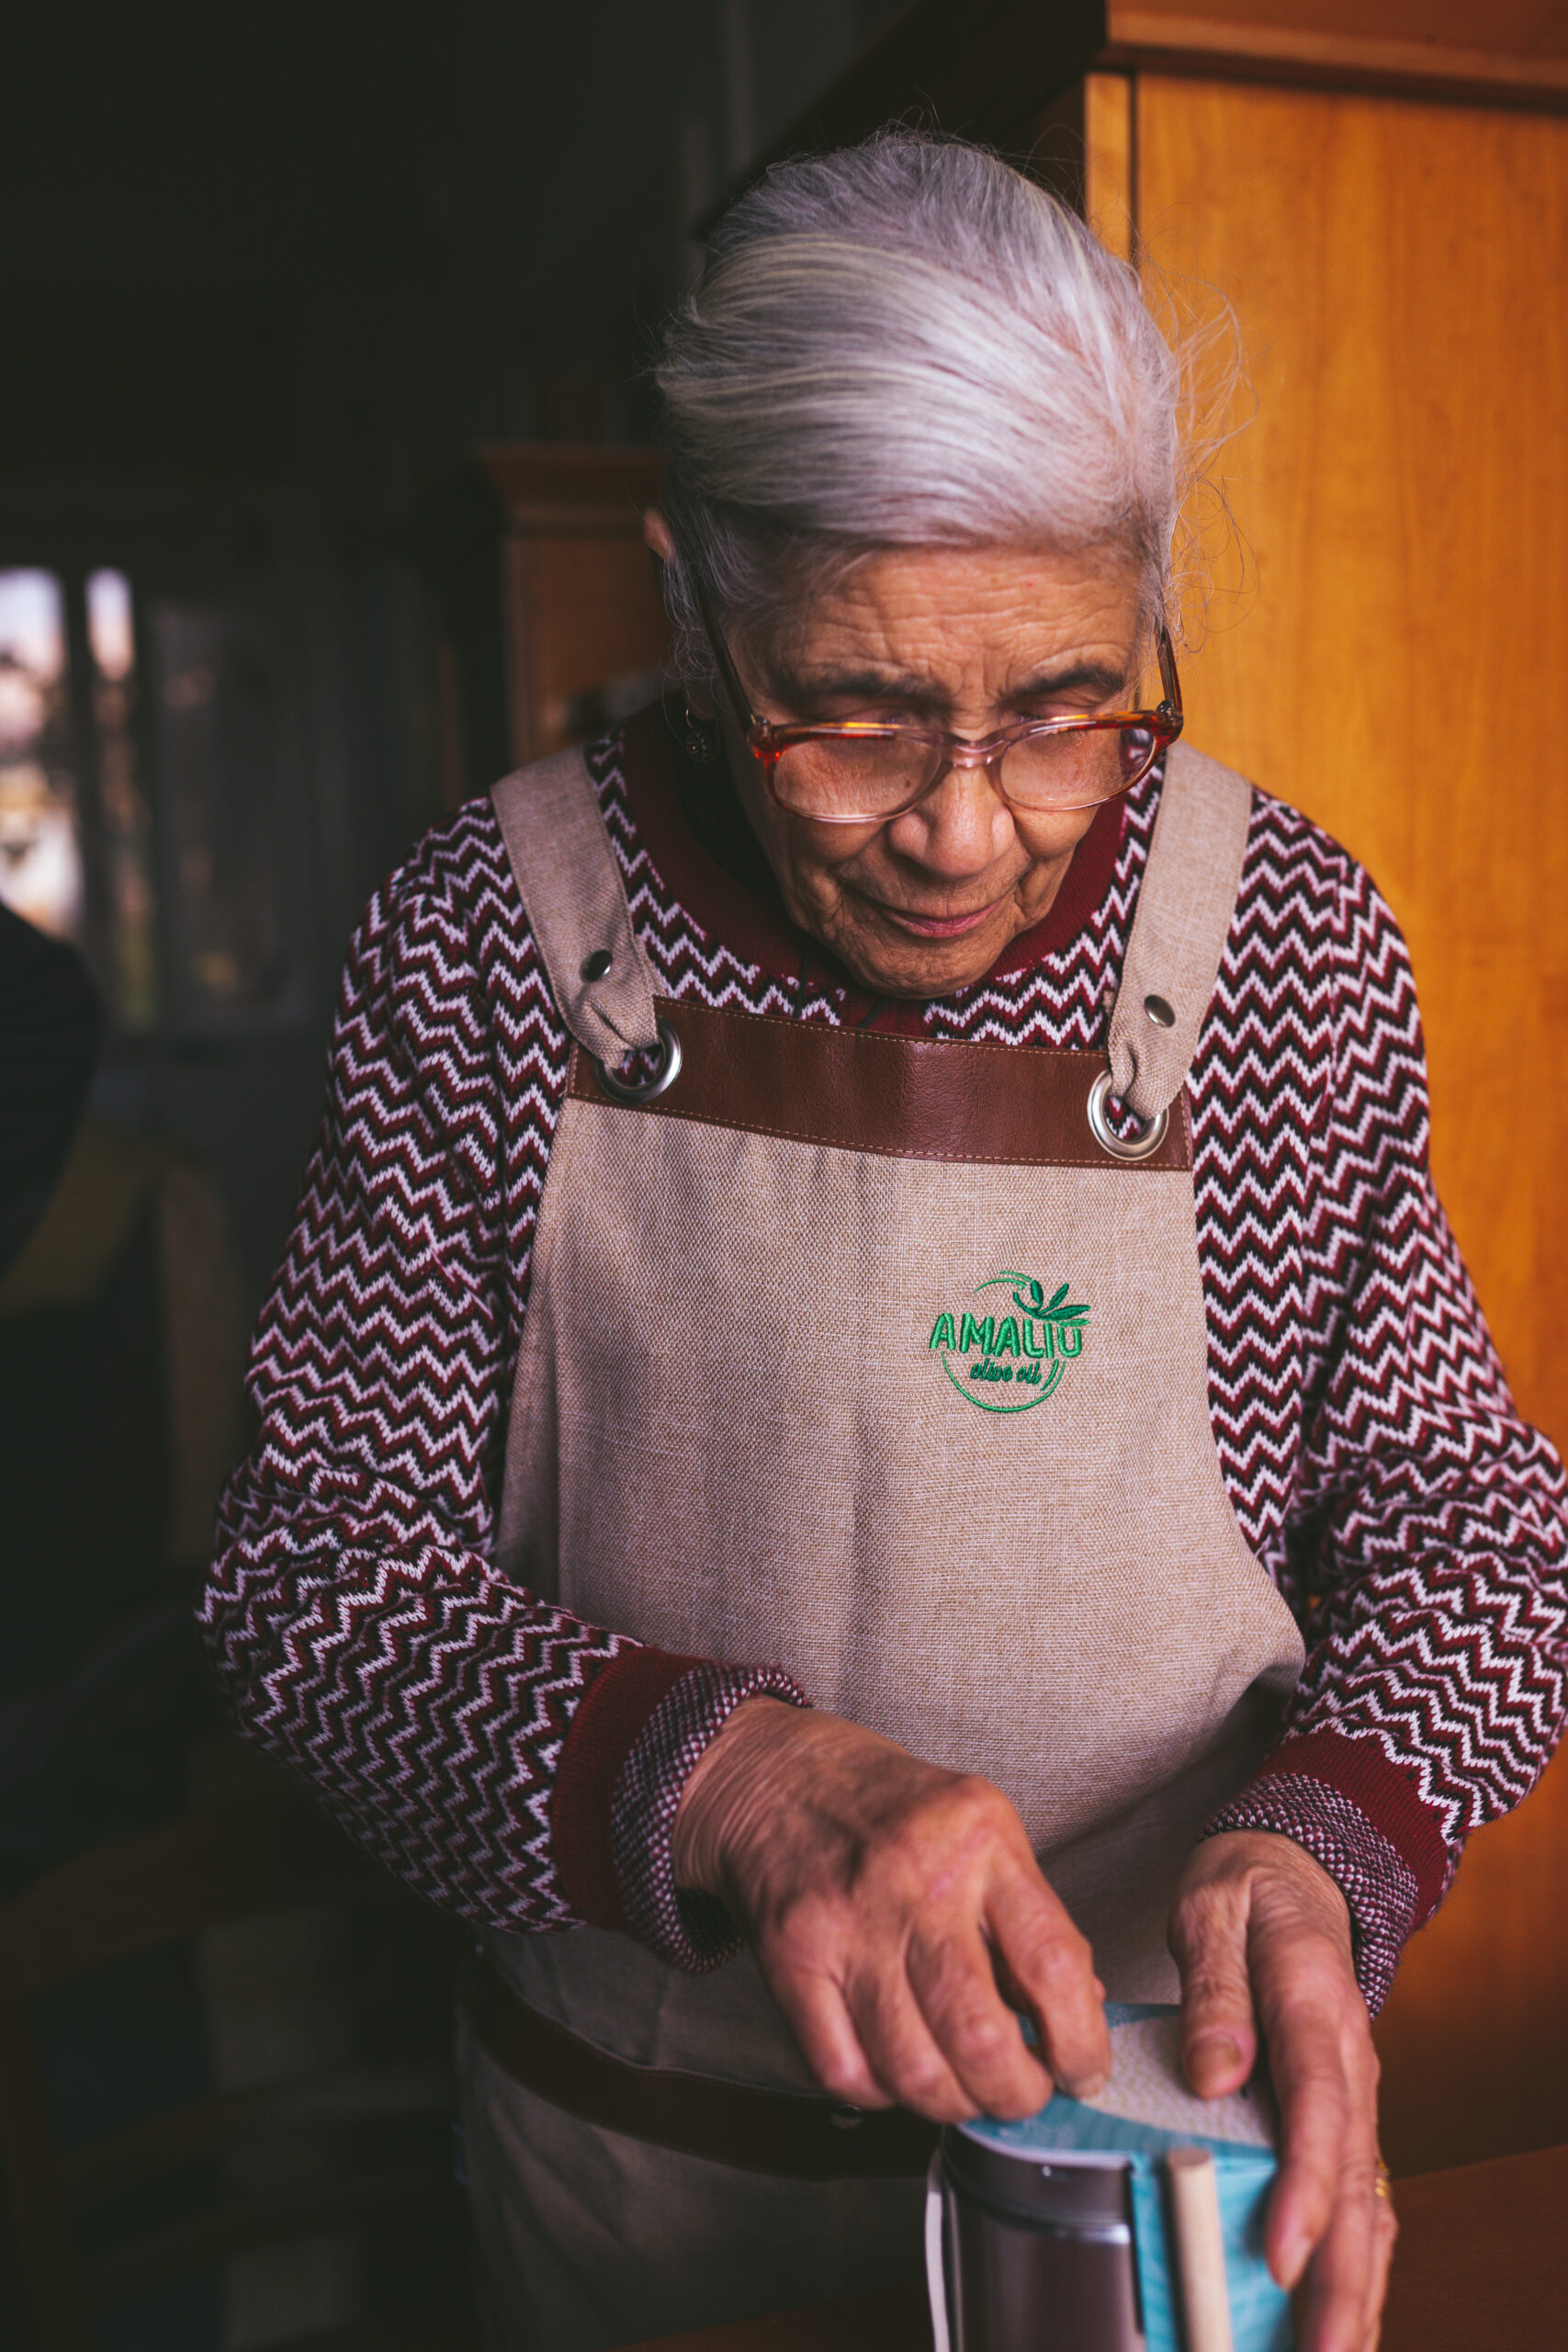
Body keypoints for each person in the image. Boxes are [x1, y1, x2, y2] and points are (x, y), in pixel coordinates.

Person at [202, 132, 1567, 2352]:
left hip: (1144, 2194)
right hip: (636, 2206)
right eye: (846, 713)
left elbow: (1474, 1543)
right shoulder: (482, 937)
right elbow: (308, 1577)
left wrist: (1323, 1838)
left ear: (1146, 607)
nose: (963, 826)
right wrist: (726, 1773)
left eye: (1059, 706)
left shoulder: (1280, 948)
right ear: (688, 595)